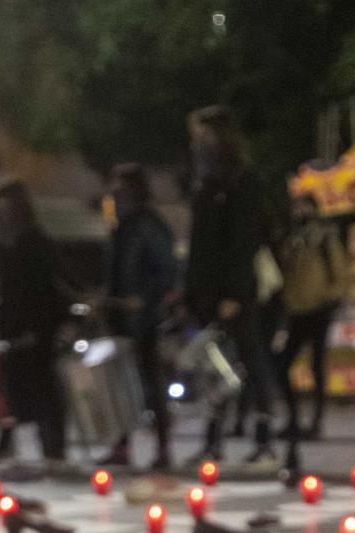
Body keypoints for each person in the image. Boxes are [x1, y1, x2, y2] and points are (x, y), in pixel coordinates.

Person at [185, 104, 278, 465]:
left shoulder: (242, 182)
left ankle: (264, 440)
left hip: (234, 293)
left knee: (251, 363)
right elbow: (200, 244)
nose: (198, 144)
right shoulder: (207, 184)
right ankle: (212, 442)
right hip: (209, 293)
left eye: (204, 136)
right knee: (214, 367)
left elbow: (243, 241)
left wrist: (235, 293)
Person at [103, 164, 177, 470]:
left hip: (145, 318)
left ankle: (162, 448)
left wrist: (143, 298)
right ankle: (122, 444)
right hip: (120, 316)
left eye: (121, 188)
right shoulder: (121, 227)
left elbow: (166, 271)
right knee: (121, 382)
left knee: (151, 383)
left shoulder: (148, 224)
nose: (116, 194)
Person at [0, 179, 69, 467]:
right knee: (19, 387)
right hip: (17, 328)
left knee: (45, 388)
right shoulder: (7, 246)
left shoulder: (35, 243)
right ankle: (27, 444)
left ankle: (54, 446)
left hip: (37, 328)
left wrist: (38, 326)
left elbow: (43, 288)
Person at [279, 195, 348, 442]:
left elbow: (339, 271)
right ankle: (294, 419)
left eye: (304, 206)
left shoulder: (324, 237)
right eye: (296, 206)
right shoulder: (293, 239)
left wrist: (331, 297)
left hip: (319, 307)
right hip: (297, 308)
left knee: (317, 366)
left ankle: (316, 422)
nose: (299, 211)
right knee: (283, 364)